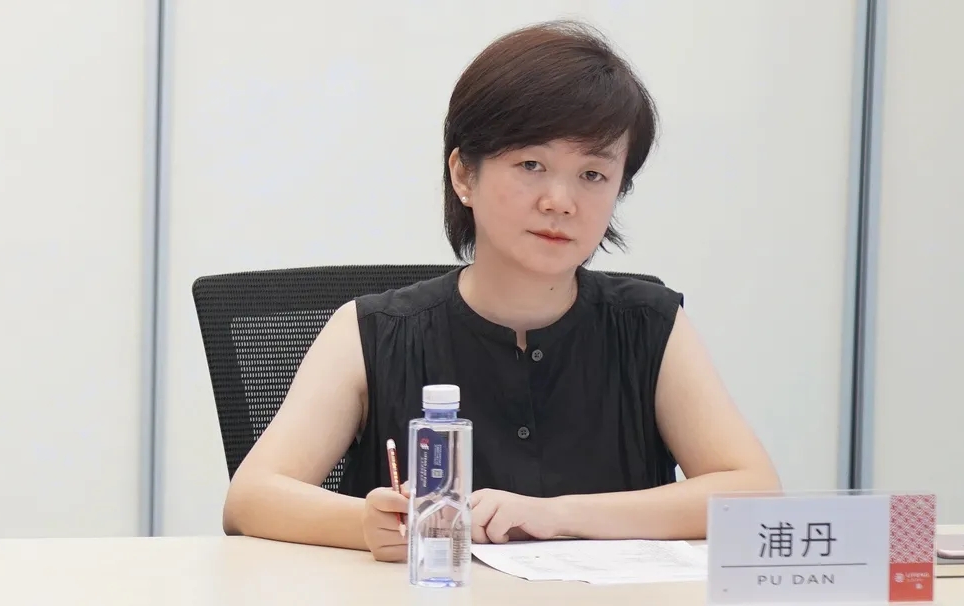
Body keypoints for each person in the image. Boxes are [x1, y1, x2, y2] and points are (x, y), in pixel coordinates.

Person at [222, 20, 780, 562]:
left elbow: (754, 492)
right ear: (465, 175)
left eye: (593, 175)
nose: (560, 201)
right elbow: (250, 498)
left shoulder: (651, 324)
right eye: (531, 164)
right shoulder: (372, 332)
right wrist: (364, 526)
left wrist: (558, 515)